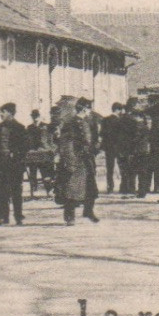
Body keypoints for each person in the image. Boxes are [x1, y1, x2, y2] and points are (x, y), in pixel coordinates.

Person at [53, 96, 98, 224]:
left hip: (86, 159)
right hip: (75, 159)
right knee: (71, 189)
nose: (90, 111)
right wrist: (70, 160)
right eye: (89, 109)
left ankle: (88, 211)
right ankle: (69, 216)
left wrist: (94, 148)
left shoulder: (86, 122)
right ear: (84, 109)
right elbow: (66, 143)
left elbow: (89, 141)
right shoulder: (71, 123)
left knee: (90, 187)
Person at [0, 102, 28, 226]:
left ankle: (18, 217)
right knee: (1, 191)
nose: (0, 114)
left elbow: (25, 146)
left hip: (15, 164)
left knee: (16, 191)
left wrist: (16, 154)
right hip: (1, 164)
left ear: (10, 113)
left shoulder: (20, 127)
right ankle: (2, 217)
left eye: (3, 112)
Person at [24, 109, 48, 196]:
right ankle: (33, 188)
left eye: (37, 117)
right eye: (33, 117)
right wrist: (29, 149)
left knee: (44, 170)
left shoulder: (45, 126)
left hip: (42, 152)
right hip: (33, 152)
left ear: (40, 117)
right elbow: (27, 140)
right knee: (32, 170)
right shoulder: (29, 128)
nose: (35, 119)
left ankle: (48, 188)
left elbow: (47, 139)